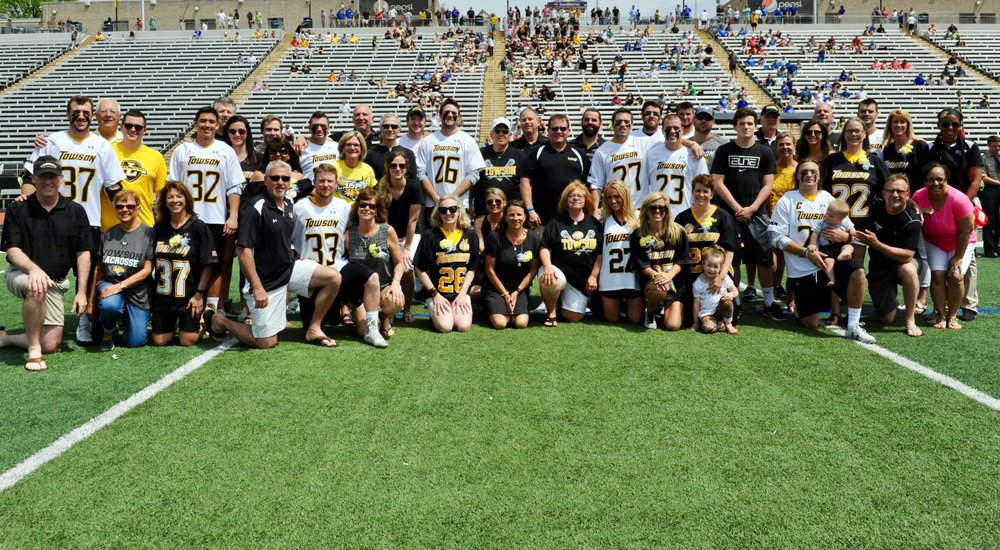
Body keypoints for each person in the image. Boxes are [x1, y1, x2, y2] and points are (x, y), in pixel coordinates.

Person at [204, 161, 343, 349]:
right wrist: (257, 287)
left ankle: (314, 328)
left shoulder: (289, 203)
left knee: (333, 277)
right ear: (266, 180)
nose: (280, 182)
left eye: (285, 178)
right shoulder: (255, 207)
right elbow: (243, 251)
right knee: (266, 342)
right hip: (265, 281)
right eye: (275, 178)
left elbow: (308, 190)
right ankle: (219, 321)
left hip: (288, 270)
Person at [24, 96, 126, 345]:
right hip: (52, 219)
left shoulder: (102, 146)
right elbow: (28, 177)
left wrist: (130, 213)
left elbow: (114, 187)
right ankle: (45, 316)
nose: (81, 116)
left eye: (85, 112)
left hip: (88, 220)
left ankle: (84, 322)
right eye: (76, 112)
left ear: (92, 116)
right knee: (48, 272)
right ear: (67, 114)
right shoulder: (52, 141)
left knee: (87, 276)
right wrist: (26, 205)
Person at [0, 156, 94, 370]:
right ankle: (34, 352)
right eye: (43, 176)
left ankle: (5, 338)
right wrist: (34, 270)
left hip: (55, 282)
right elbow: (12, 251)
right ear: (33, 178)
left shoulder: (75, 211)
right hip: (22, 273)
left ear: (61, 179)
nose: (48, 181)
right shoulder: (18, 208)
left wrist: (81, 292)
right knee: (36, 285)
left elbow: (83, 253)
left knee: (51, 344)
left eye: (53, 176)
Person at [769, 161, 875, 343]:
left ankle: (853, 326)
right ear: (797, 175)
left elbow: (850, 231)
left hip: (831, 259)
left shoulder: (827, 198)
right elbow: (775, 237)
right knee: (810, 323)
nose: (809, 175)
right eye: (804, 171)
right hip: (803, 267)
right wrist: (805, 252)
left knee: (857, 271)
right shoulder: (787, 200)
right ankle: (802, 302)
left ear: (819, 176)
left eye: (814, 171)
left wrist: (845, 237)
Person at [291, 163, 389, 348]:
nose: (325, 185)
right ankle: (316, 325)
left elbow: (362, 225)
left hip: (336, 264)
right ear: (314, 182)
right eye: (321, 181)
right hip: (311, 270)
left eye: (330, 181)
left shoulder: (344, 207)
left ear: (336, 184)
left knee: (372, 278)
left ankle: (373, 328)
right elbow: (289, 237)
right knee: (313, 323)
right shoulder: (300, 207)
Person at [168, 106, 244, 313]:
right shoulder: (182, 151)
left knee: (214, 266)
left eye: (211, 121)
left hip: (215, 218)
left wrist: (233, 216)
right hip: (187, 220)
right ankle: (184, 309)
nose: (207, 125)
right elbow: (173, 186)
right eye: (203, 121)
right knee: (186, 263)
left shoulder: (225, 150)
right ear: (195, 123)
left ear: (217, 125)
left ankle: (211, 311)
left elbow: (234, 187)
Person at [710, 108, 783, 320]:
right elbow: (717, 182)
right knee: (731, 259)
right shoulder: (724, 150)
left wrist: (752, 208)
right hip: (729, 213)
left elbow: (768, 184)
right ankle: (735, 303)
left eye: (750, 123)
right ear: (735, 126)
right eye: (742, 123)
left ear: (755, 125)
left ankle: (769, 303)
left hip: (756, 213)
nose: (746, 127)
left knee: (764, 258)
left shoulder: (765, 152)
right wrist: (736, 208)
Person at [926, 109, 984, 322]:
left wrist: (964, 203)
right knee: (939, 263)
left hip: (964, 202)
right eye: (945, 124)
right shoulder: (931, 147)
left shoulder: (970, 146)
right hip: (938, 204)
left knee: (967, 252)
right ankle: (940, 306)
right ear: (938, 126)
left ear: (961, 125)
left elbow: (976, 178)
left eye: (954, 124)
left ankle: (969, 303)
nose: (950, 128)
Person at [854, 174, 923, 336]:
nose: (895, 195)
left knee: (908, 269)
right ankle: (890, 303)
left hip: (904, 262)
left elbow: (907, 256)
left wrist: (877, 244)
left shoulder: (912, 220)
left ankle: (910, 318)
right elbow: (859, 237)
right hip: (880, 266)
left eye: (900, 191)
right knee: (886, 318)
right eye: (891, 191)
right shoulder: (875, 208)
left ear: (907, 194)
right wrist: (857, 269)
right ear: (884, 193)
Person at [150, 182, 216, 347]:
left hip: (189, 297)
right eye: (170, 197)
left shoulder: (198, 226)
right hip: (164, 297)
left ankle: (204, 320)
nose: (175, 201)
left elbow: (208, 263)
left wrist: (199, 295)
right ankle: (175, 323)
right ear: (164, 202)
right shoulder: (159, 228)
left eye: (179, 196)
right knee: (159, 341)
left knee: (187, 340)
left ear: (186, 199)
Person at [912, 163, 975, 330]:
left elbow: (966, 231)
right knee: (938, 275)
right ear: (925, 181)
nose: (935, 183)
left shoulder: (959, 199)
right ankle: (940, 315)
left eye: (940, 179)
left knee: (956, 276)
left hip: (961, 242)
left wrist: (959, 256)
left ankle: (952, 316)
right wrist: (919, 209)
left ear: (947, 180)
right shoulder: (919, 195)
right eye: (930, 179)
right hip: (934, 242)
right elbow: (910, 205)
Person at [91, 190, 155, 351]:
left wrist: (119, 287)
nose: (125, 210)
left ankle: (125, 319)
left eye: (130, 206)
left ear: (139, 208)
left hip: (137, 291)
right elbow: (99, 268)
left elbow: (148, 269)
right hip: (110, 283)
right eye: (120, 206)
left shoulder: (149, 233)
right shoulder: (107, 234)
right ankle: (108, 330)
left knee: (136, 341)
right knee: (110, 305)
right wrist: (91, 300)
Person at [538, 182, 602, 326]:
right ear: (565, 200)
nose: (575, 198)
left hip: (579, 280)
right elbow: (545, 248)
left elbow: (599, 254)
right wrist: (547, 267)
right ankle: (551, 312)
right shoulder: (556, 222)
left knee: (574, 317)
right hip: (558, 272)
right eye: (571, 195)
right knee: (551, 281)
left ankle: (560, 302)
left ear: (586, 199)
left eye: (580, 195)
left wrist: (593, 276)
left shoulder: (594, 224)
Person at [414, 195, 479, 333]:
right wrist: (435, 294)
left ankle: (455, 308)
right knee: (445, 327)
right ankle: (434, 311)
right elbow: (420, 268)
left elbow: (472, 269)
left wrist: (463, 294)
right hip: (438, 293)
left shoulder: (470, 235)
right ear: (438, 213)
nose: (448, 213)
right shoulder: (430, 235)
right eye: (443, 210)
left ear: (459, 211)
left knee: (463, 326)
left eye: (452, 209)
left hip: (459, 292)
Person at [346, 188, 405, 338]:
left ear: (377, 211)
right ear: (357, 207)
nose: (367, 208)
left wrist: (395, 284)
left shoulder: (387, 231)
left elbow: (399, 263)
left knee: (397, 301)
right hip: (359, 292)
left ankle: (385, 317)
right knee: (364, 332)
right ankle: (357, 313)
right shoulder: (349, 234)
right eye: (363, 205)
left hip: (384, 287)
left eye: (372, 206)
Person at [415, 99, 486, 221]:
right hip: (433, 204)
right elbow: (421, 173)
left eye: (453, 113)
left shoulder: (468, 140)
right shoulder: (427, 141)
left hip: (459, 204)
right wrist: (436, 198)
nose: (450, 115)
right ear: (440, 115)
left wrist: (453, 197)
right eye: (446, 112)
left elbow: (474, 174)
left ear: (459, 116)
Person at [631, 192, 691, 330]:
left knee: (673, 325)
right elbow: (642, 265)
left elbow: (682, 261)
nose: (657, 211)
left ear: (667, 210)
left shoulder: (678, 231)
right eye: (652, 208)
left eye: (661, 207)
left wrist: (668, 276)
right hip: (653, 283)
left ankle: (662, 306)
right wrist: (659, 277)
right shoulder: (638, 235)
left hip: (674, 282)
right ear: (646, 210)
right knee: (658, 289)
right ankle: (651, 310)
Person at [520, 114, 590, 227]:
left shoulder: (579, 154)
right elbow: (525, 182)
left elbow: (587, 186)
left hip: (572, 218)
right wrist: (530, 209)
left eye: (563, 128)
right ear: (548, 131)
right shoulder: (536, 152)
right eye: (554, 128)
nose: (559, 131)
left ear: (568, 131)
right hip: (541, 218)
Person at [104, 109, 168, 232]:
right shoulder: (107, 151)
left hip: (144, 227)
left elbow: (161, 197)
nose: (133, 129)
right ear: (121, 127)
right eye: (129, 125)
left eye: (138, 127)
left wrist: (161, 224)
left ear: (145, 130)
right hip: (110, 227)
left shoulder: (156, 157)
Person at [483, 200, 541, 329]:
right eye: (511, 215)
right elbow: (489, 270)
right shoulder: (495, 236)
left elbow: (532, 271)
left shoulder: (534, 238)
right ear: (505, 217)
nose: (516, 218)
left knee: (521, 323)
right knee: (500, 323)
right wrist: (505, 294)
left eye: (519, 214)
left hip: (519, 288)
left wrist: (517, 292)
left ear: (525, 217)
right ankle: (488, 306)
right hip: (496, 287)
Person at [588, 108, 656, 211]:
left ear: (632, 125)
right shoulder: (602, 151)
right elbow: (596, 185)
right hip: (615, 208)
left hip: (640, 208)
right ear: (612, 125)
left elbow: (669, 144)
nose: (623, 125)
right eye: (619, 122)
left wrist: (685, 143)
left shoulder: (645, 143)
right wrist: (594, 211)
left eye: (626, 122)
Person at [643, 112, 709, 218]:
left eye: (676, 128)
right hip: (658, 215)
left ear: (682, 130)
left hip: (685, 215)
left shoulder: (694, 155)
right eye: (668, 128)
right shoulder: (651, 153)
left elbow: (705, 187)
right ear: (662, 130)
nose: (672, 131)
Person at [598, 181, 642, 324]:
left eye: (617, 196)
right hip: (610, 278)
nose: (613, 201)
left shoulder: (639, 217)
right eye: (609, 197)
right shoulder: (603, 219)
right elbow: (599, 251)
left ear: (625, 196)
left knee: (636, 319)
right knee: (611, 319)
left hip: (633, 278)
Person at [476, 118, 523, 217]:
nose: (501, 134)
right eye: (497, 131)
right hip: (485, 211)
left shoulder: (520, 155)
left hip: (512, 213)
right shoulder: (480, 153)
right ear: (491, 134)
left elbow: (525, 184)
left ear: (510, 135)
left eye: (505, 131)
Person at [691, 246, 739, 334]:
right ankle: (718, 325)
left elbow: (736, 292)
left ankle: (728, 324)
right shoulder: (698, 283)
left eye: (716, 266)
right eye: (709, 265)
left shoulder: (725, 278)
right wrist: (695, 322)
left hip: (721, 311)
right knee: (707, 328)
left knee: (727, 302)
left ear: (721, 267)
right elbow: (696, 304)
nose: (712, 269)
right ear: (703, 264)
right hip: (707, 314)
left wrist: (730, 295)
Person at [806, 199, 855, 286]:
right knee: (828, 262)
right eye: (827, 213)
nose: (827, 216)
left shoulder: (845, 222)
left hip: (840, 245)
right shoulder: (822, 222)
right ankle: (832, 279)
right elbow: (815, 233)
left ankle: (844, 254)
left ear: (841, 218)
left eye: (831, 216)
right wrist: (812, 243)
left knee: (849, 247)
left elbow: (851, 228)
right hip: (826, 248)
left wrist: (852, 230)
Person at [366, 114, 417, 182]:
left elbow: (412, 181)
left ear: (399, 130)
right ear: (381, 129)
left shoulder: (408, 154)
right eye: (386, 126)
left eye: (394, 127)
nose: (390, 129)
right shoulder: (370, 154)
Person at [333, 131, 377, 203]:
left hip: (360, 209)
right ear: (343, 148)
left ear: (362, 148)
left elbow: (372, 195)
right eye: (348, 144)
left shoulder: (368, 169)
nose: (352, 148)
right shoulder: (332, 168)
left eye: (356, 145)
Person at [298, 111, 340, 181]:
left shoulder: (337, 147)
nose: (319, 129)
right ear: (309, 128)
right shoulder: (301, 149)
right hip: (310, 187)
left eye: (323, 126)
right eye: (315, 126)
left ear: (328, 128)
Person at [982, 135, 1000, 258]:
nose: (997, 148)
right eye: (994, 146)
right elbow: (983, 177)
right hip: (990, 190)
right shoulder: (983, 159)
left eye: (999, 146)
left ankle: (998, 246)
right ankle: (990, 248)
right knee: (990, 219)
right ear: (988, 145)